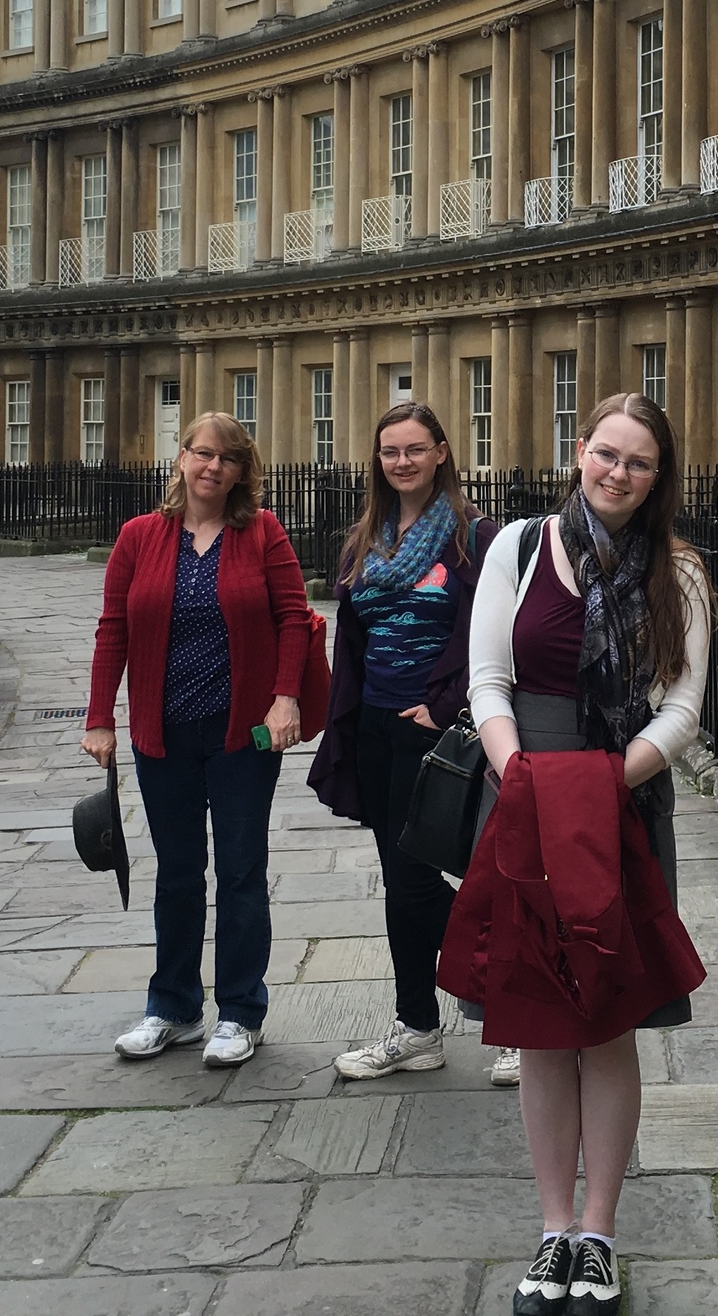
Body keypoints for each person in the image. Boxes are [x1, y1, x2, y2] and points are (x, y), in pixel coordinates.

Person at [444, 393, 711, 1315]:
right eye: (607, 453)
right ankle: (552, 1226)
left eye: (639, 462)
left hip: (622, 804)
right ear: (579, 452)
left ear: (657, 477)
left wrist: (604, 785)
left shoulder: (678, 574)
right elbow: (488, 679)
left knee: (605, 1020)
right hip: (522, 796)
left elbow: (682, 707)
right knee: (539, 1023)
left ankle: (598, 1232)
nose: (618, 472)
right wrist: (526, 782)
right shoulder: (516, 548)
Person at [85, 411, 311, 1067]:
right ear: (181, 457)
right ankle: (174, 1007)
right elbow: (113, 630)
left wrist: (284, 697)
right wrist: (101, 716)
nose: (213, 466)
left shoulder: (262, 532)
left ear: (242, 471)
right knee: (179, 872)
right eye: (202, 453)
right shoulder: (138, 537)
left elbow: (293, 618)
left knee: (241, 870)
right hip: (164, 730)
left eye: (227, 458)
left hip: (246, 732)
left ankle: (241, 1012)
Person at [310, 402, 501, 1082]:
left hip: (445, 732)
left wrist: (444, 704)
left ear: (442, 452)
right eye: (390, 451)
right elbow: (353, 638)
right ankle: (418, 1024)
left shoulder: (475, 537)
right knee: (401, 882)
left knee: (423, 879)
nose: (402, 462)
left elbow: (490, 633)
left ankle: (511, 1000)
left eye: (415, 449)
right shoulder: (366, 538)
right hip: (379, 728)